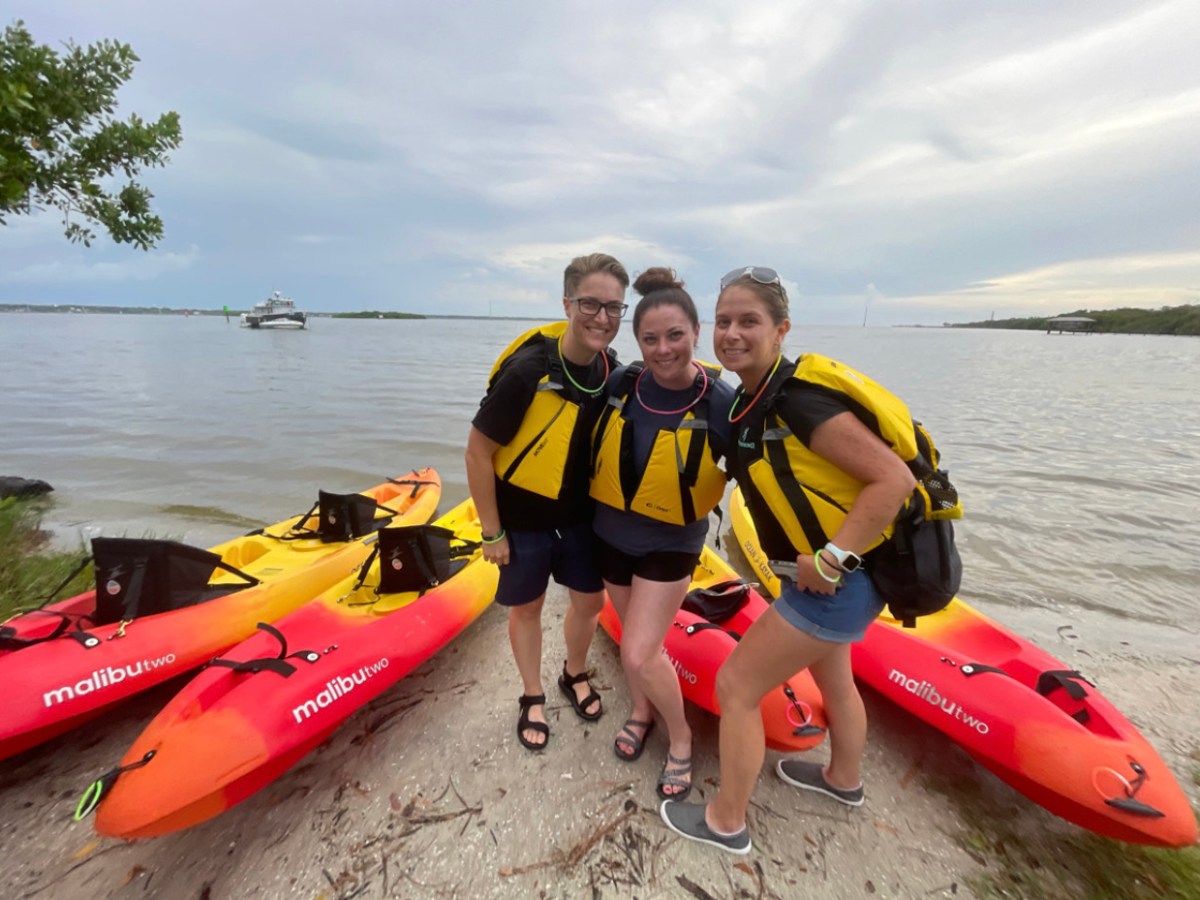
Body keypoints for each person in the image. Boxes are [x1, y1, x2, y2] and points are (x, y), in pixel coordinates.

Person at [660, 266, 917, 854]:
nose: (732, 333)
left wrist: (828, 561)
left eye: (749, 321)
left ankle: (726, 821)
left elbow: (892, 481)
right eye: (723, 321)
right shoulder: (757, 398)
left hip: (835, 585)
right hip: (858, 581)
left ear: (781, 330)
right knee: (836, 676)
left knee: (737, 686)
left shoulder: (799, 403)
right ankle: (843, 779)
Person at [465, 252, 630, 752]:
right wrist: (491, 531)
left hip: (581, 517)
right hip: (522, 520)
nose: (602, 317)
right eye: (590, 304)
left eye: (614, 308)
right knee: (528, 607)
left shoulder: (613, 374)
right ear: (567, 303)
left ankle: (573, 673)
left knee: (590, 601)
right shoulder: (527, 373)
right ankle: (531, 694)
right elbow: (477, 451)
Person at [589, 267, 734, 801]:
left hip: (671, 542)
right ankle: (642, 711)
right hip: (610, 535)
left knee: (639, 651)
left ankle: (681, 738)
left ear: (697, 332)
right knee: (633, 642)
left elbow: (758, 473)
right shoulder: (622, 385)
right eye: (650, 338)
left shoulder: (719, 402)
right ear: (637, 341)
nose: (663, 348)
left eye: (675, 335)